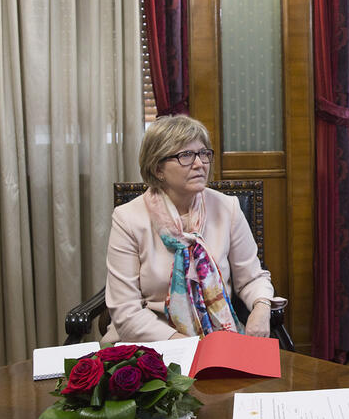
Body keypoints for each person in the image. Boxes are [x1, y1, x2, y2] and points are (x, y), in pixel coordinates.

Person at [102, 114, 275, 343]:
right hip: (152, 341)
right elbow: (126, 311)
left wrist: (261, 309)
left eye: (204, 154)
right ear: (157, 168)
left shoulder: (227, 208)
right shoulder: (128, 219)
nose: (200, 163)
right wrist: (187, 344)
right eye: (186, 155)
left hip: (219, 339)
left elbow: (252, 278)